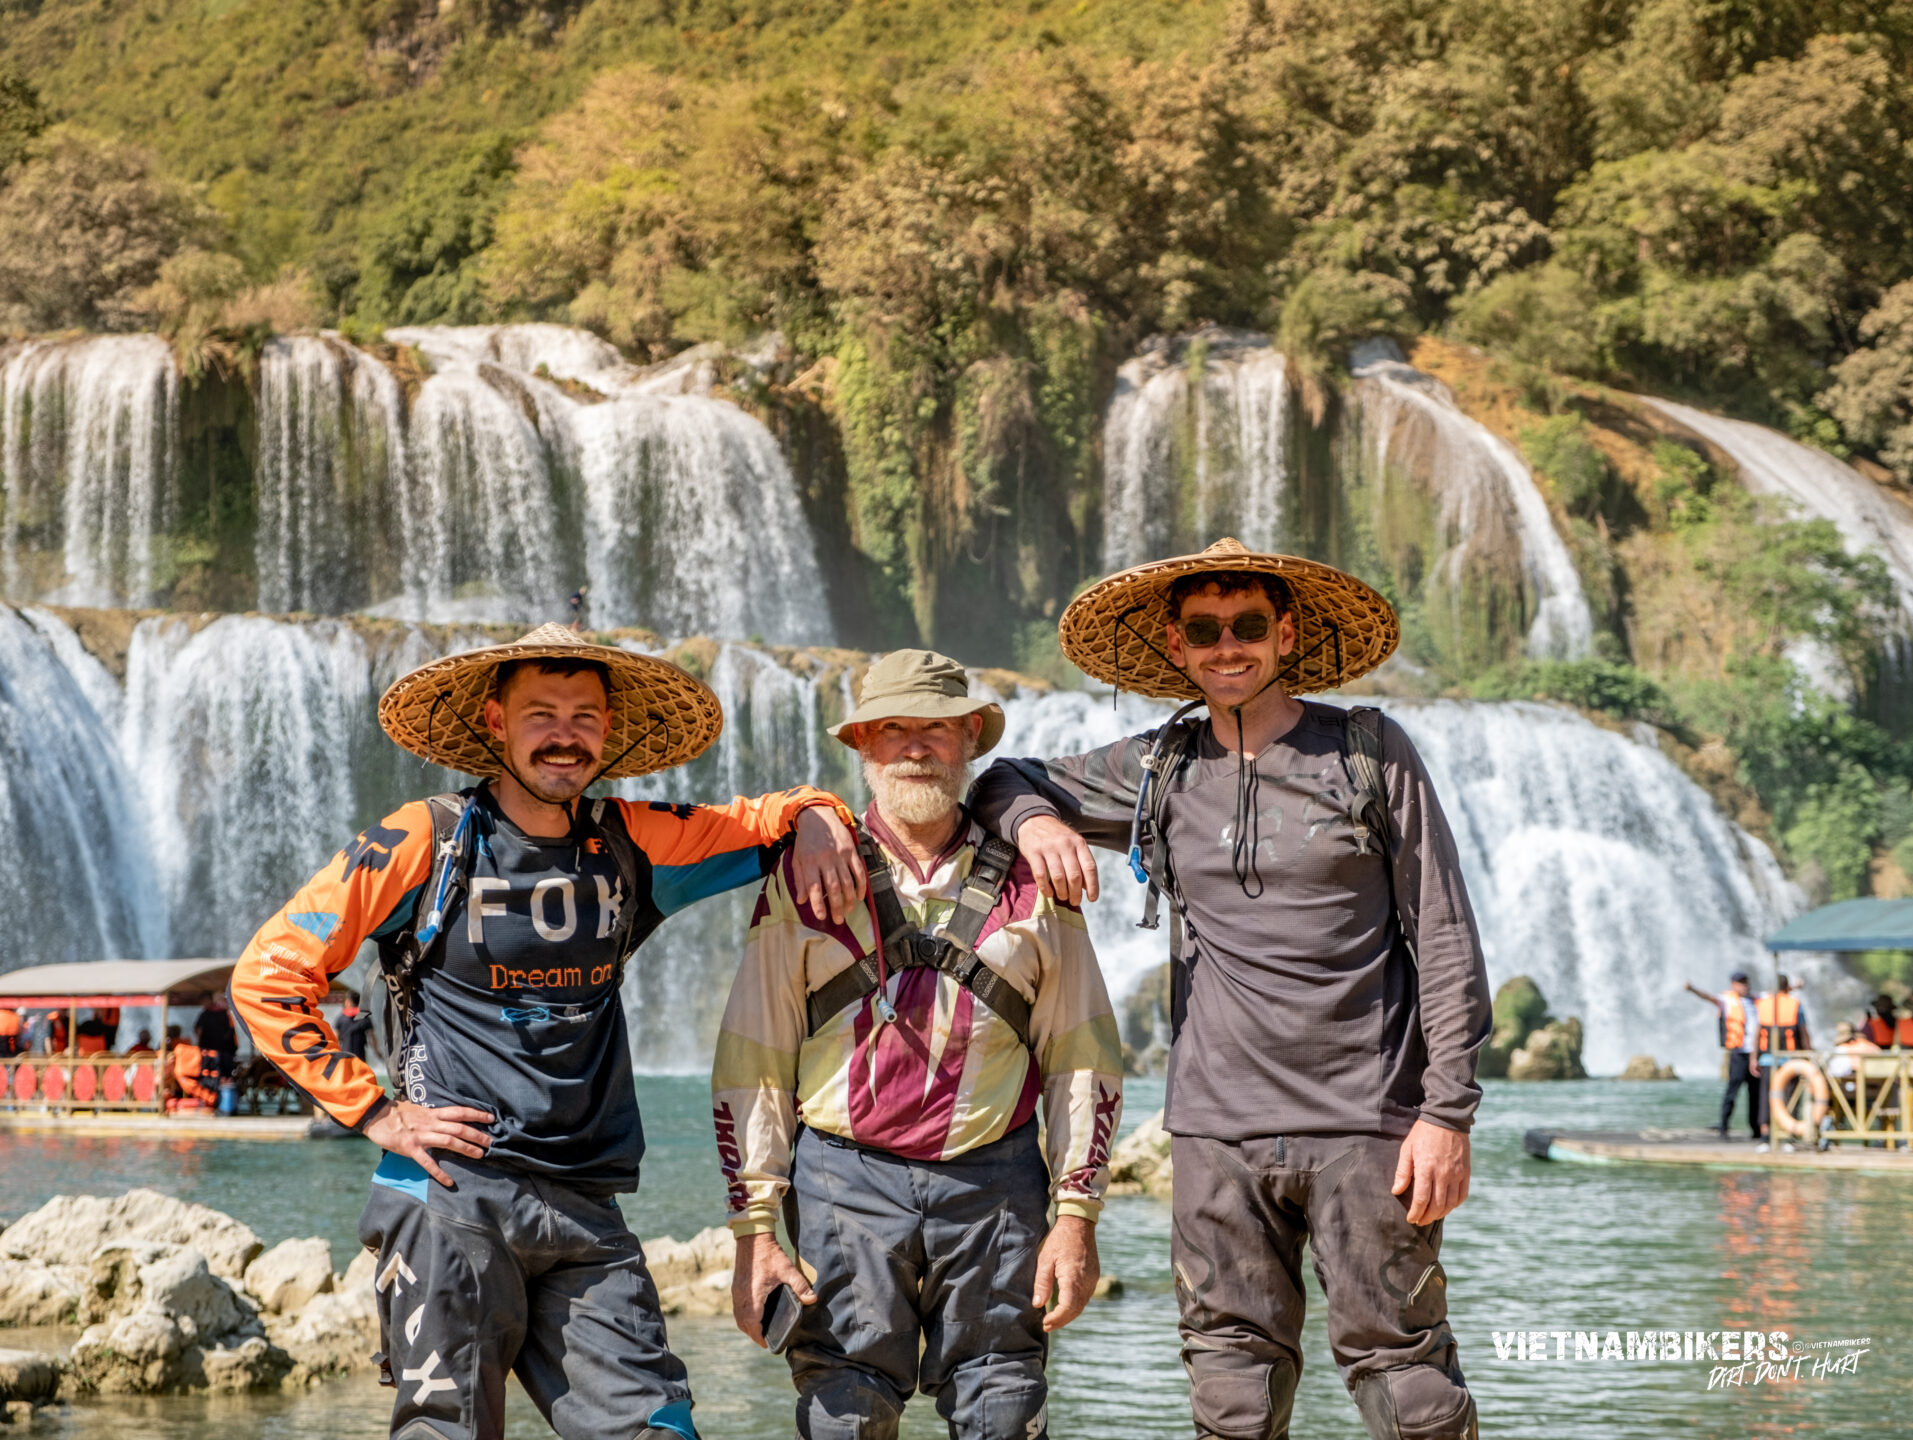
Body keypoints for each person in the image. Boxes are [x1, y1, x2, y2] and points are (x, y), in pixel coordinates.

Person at [230, 624, 863, 1440]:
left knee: (657, 1429)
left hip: (585, 1205)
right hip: (450, 1197)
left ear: (608, 730)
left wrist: (818, 815)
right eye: (541, 715)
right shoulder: (424, 840)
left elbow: (766, 821)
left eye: (583, 717)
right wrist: (376, 1111)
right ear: (495, 722)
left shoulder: (634, 839)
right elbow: (269, 973)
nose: (564, 735)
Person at [970, 538, 1490, 1440]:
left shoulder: (1368, 751)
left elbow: (1444, 935)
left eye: (1248, 625)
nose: (1228, 647)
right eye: (1205, 630)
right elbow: (1003, 779)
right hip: (1216, 1132)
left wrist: (1446, 1114)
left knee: (1407, 1383)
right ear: (1176, 646)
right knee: (1229, 1387)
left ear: (1286, 634)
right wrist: (1038, 825)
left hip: (1367, 1121)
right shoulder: (1157, 766)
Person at [714, 650, 1124, 1440]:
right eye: (891, 728)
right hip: (842, 1183)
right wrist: (754, 1231)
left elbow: (1082, 1058)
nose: (913, 747)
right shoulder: (803, 876)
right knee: (846, 1412)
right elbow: (752, 1062)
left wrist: (1077, 1217)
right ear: (861, 744)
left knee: (1005, 1406)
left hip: (995, 1183)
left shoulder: (1035, 880)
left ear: (969, 736)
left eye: (934, 728)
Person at [1684, 972, 1761, 1140]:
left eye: (1746, 982)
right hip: (1738, 1053)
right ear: (1733, 984)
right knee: (1732, 1091)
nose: (1744, 986)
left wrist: (1793, 987)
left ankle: (1756, 1130)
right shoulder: (1727, 999)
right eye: (1741, 983)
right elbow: (1708, 997)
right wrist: (1692, 989)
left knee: (1755, 1094)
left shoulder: (1756, 999)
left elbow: (1777, 994)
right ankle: (1724, 1127)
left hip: (1755, 1053)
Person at [337, 990, 374, 1063]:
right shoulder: (365, 1018)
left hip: (345, 1056)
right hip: (360, 1056)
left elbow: (336, 1037)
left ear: (348, 1001)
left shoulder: (341, 1018)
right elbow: (372, 1037)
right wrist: (377, 1052)